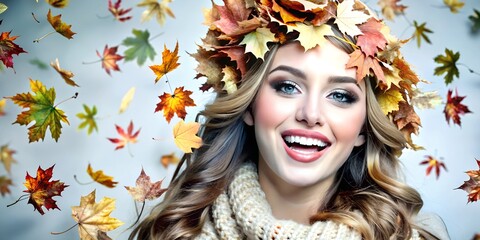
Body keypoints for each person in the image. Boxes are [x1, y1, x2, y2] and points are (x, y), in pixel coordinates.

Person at [130, 0, 450, 239]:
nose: (310, 114)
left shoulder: (415, 236)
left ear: (364, 128)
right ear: (251, 105)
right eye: (287, 86)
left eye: (340, 95)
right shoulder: (172, 232)